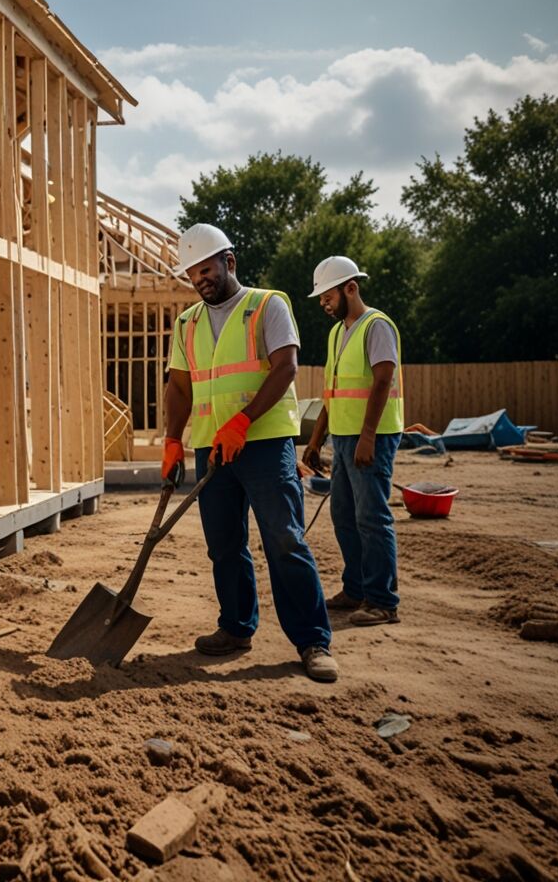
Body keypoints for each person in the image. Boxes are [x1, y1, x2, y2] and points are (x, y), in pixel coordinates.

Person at [162, 224, 337, 683]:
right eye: (192, 273)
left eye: (206, 268)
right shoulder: (187, 323)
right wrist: (172, 440)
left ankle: (312, 639)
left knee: (285, 539)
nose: (199, 278)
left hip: (264, 444)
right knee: (223, 545)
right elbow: (179, 386)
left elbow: (286, 368)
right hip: (211, 449)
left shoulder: (267, 305)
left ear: (229, 262)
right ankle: (236, 627)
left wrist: (243, 421)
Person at [302, 256, 403, 627]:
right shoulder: (337, 333)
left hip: (370, 438)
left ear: (350, 288)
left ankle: (383, 601)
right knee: (343, 514)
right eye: (321, 299)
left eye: (327, 296)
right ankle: (356, 588)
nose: (324, 304)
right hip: (343, 438)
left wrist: (369, 437)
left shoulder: (376, 326)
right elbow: (332, 393)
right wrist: (315, 441)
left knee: (371, 517)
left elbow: (382, 381)